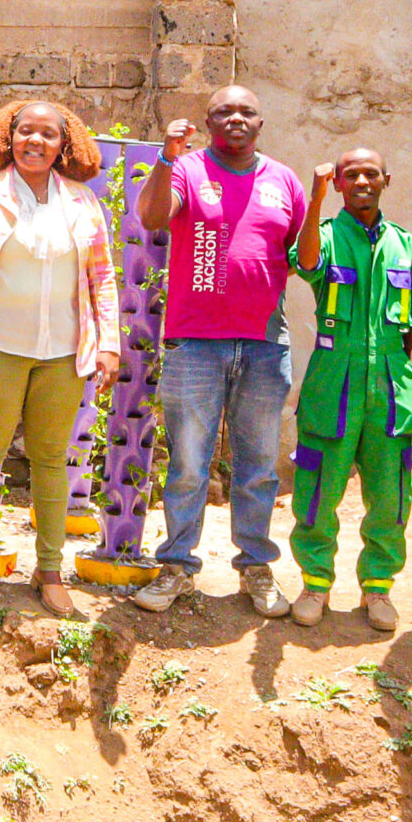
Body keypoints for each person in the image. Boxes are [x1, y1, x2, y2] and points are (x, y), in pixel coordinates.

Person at [0, 101, 121, 616]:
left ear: (64, 144)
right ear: (8, 139)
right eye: (24, 132)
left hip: (62, 354)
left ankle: (50, 572)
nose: (35, 141)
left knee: (52, 461)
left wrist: (109, 343)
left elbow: (102, 277)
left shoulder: (81, 201)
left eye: (47, 134)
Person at [129, 85, 307, 619]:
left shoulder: (283, 180)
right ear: (209, 121)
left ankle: (255, 567)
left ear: (260, 122)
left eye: (246, 111)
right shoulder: (188, 169)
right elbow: (153, 216)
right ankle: (177, 567)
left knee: (257, 467)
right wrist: (166, 156)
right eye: (224, 111)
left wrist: (253, 287)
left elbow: (300, 251)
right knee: (188, 462)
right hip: (196, 342)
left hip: (263, 342)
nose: (236, 118)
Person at [288, 149, 412, 631]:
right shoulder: (323, 236)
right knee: (318, 489)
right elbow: (304, 265)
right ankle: (315, 583)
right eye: (351, 175)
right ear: (340, 185)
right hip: (334, 381)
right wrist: (315, 199)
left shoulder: (406, 245)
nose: (362, 180)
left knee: (390, 496)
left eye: (370, 173)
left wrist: (409, 384)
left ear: (386, 179)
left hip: (389, 388)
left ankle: (379, 588)